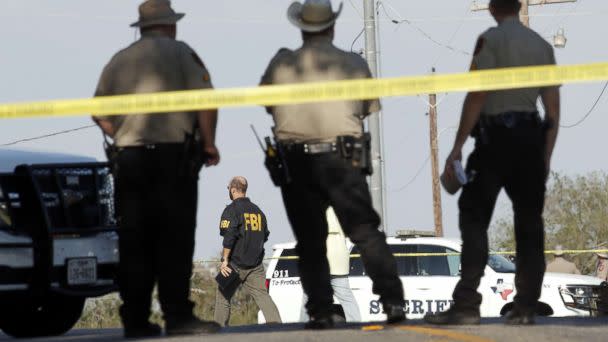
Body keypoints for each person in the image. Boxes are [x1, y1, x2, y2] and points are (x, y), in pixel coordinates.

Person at [260, 0, 405, 329]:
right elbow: (367, 109)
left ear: (300, 27)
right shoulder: (353, 63)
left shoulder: (282, 64)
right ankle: (393, 302)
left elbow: (268, 104)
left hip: (297, 161)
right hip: (343, 157)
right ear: (333, 26)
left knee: (310, 239)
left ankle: (321, 309)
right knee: (365, 232)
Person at [424, 0, 560, 326]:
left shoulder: (489, 40)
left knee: (474, 218)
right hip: (529, 140)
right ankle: (526, 305)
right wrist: (545, 158)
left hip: (493, 141)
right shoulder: (541, 46)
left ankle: (467, 304)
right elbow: (553, 111)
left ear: (492, 8)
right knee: (529, 225)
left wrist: (457, 146)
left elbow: (478, 95)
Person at [92, 0, 220, 337]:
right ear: (170, 24)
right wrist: (208, 143)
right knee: (174, 238)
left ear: (142, 27)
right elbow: (206, 100)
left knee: (135, 241)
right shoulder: (181, 53)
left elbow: (99, 113)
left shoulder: (118, 60)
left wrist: (122, 134)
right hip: (172, 159)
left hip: (129, 161)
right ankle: (177, 316)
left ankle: (135, 320)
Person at [214, 177, 282, 327]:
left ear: (232, 190)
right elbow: (265, 235)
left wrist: (224, 259)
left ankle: (218, 332)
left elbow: (229, 236)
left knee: (223, 296)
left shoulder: (231, 210)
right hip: (256, 266)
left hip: (234, 264)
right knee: (263, 297)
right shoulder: (258, 211)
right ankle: (279, 328)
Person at [300, 207, 362, 323]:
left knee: (308, 295)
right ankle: (356, 323)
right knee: (347, 298)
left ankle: (302, 325)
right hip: (339, 258)